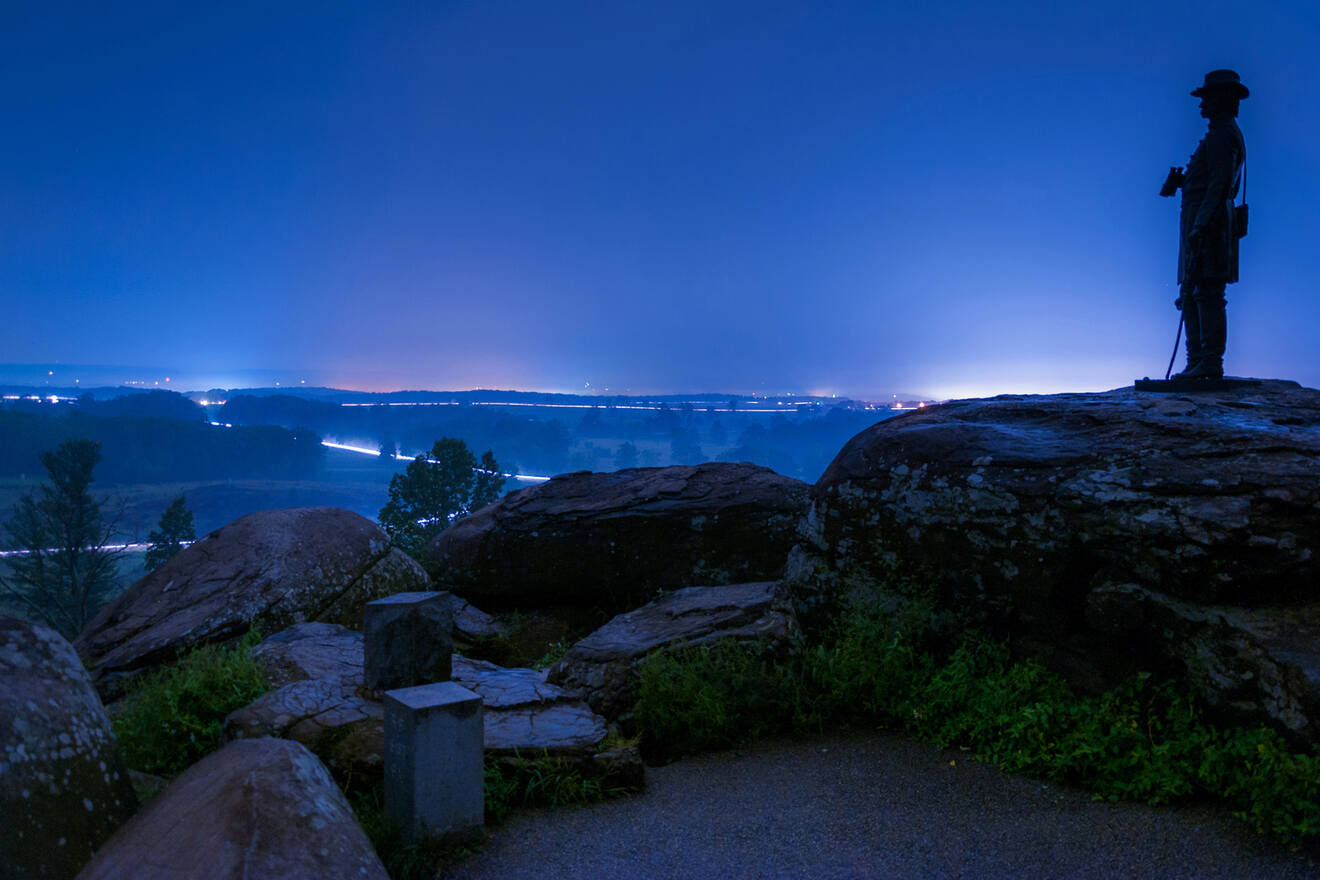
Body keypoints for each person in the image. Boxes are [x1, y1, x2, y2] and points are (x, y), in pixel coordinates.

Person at [1159, 69, 1248, 380]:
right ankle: (1196, 361)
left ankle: (1209, 362)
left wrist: (1200, 224)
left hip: (1208, 222)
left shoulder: (1224, 134)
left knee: (1207, 291)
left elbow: (1220, 183)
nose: (1201, 106)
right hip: (1199, 220)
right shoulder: (1218, 134)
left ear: (1220, 101)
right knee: (1192, 290)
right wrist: (1184, 181)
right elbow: (1211, 179)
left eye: (1206, 99)